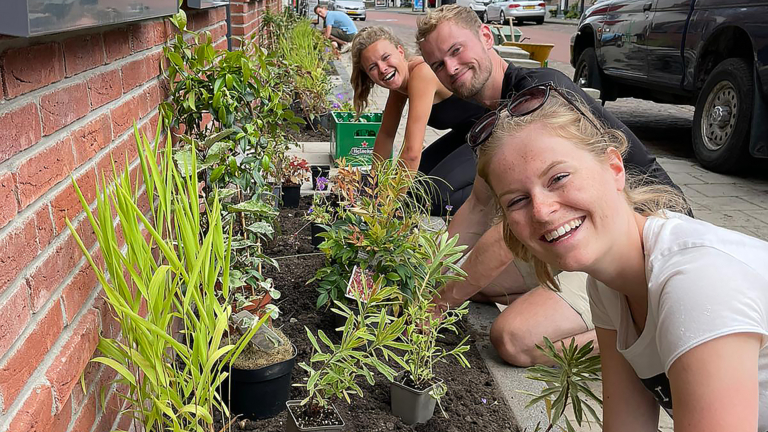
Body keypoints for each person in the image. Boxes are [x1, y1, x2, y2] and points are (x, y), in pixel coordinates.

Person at [475, 84, 768, 431]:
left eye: (558, 177)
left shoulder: (697, 282)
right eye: (517, 201)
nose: (541, 210)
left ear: (615, 168)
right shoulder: (607, 286)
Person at [416, 5, 684, 366]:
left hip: (640, 238)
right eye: (437, 64)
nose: (450, 68)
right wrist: (424, 272)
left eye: (456, 50)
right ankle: (574, 307)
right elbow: (477, 209)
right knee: (479, 285)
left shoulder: (538, 98)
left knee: (513, 339)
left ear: (486, 36)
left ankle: (658, 336)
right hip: (581, 228)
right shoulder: (496, 110)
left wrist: (436, 304)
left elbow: (505, 236)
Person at [350, 26, 488, 215]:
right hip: (467, 133)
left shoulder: (421, 73)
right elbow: (386, 135)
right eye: (372, 67)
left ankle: (492, 202)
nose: (383, 69)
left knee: (436, 197)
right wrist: (374, 187)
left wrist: (386, 206)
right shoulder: (398, 85)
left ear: (400, 51)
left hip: (493, 131)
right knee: (416, 187)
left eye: (385, 57)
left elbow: (411, 153)